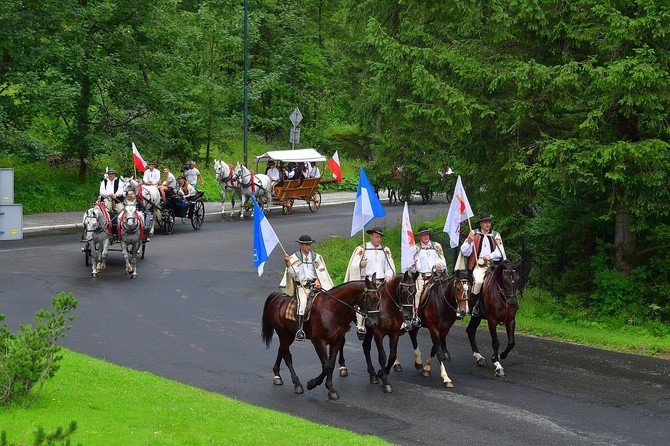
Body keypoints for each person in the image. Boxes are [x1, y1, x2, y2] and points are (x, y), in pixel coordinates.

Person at [344, 226, 395, 338]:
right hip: (367, 282)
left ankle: (398, 322)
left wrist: (388, 275)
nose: (379, 239)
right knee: (363, 301)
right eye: (377, 237)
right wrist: (360, 265)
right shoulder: (362, 249)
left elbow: (390, 266)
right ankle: (360, 325)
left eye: (380, 237)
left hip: (382, 282)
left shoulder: (385, 250)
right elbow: (353, 265)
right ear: (371, 236)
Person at [281, 235, 334, 341]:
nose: (309, 247)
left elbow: (321, 271)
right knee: (303, 304)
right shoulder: (294, 258)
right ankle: (299, 330)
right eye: (306, 245)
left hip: (316, 286)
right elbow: (292, 274)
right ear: (300, 245)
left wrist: (319, 280)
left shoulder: (316, 257)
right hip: (303, 287)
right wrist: (287, 263)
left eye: (309, 244)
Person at [456, 213, 507, 317]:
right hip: (479, 265)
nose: (488, 224)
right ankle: (474, 307)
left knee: (506, 280)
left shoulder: (496, 235)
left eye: (489, 222)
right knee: (478, 282)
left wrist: (490, 256)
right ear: (480, 224)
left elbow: (500, 252)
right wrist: (469, 242)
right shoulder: (473, 233)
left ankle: (507, 305)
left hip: (493, 264)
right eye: (485, 222)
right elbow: (465, 252)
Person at [409, 226, 448, 327]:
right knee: (417, 293)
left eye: (427, 234)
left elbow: (442, 260)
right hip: (423, 277)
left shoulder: (437, 246)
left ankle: (453, 312)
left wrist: (440, 265)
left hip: (436, 275)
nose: (426, 236)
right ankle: (415, 316)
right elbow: (414, 269)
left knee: (449, 289)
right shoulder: (415, 248)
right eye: (423, 235)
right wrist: (414, 264)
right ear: (419, 237)